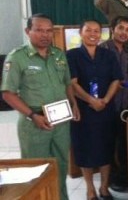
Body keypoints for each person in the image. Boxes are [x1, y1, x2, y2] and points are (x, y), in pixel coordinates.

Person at [1, 13, 80, 200]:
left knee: (61, 165)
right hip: (34, 122)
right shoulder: (18, 57)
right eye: (39, 30)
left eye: (48, 31)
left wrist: (74, 104)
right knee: (35, 171)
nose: (45, 35)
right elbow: (7, 93)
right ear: (28, 31)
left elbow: (67, 83)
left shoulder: (58, 55)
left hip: (61, 120)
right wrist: (32, 115)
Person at [67, 20, 123, 200]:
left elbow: (116, 79)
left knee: (106, 148)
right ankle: (90, 189)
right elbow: (72, 84)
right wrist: (91, 100)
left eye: (97, 31)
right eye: (88, 30)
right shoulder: (72, 55)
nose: (93, 34)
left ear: (102, 34)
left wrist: (105, 100)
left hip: (106, 109)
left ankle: (104, 188)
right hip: (82, 110)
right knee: (85, 149)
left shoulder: (108, 54)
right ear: (80, 32)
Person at [99, 16, 128, 192]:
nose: (124, 33)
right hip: (106, 104)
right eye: (121, 28)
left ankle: (124, 177)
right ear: (112, 29)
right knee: (108, 143)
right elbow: (95, 77)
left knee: (124, 143)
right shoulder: (102, 49)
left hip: (125, 104)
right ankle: (110, 179)